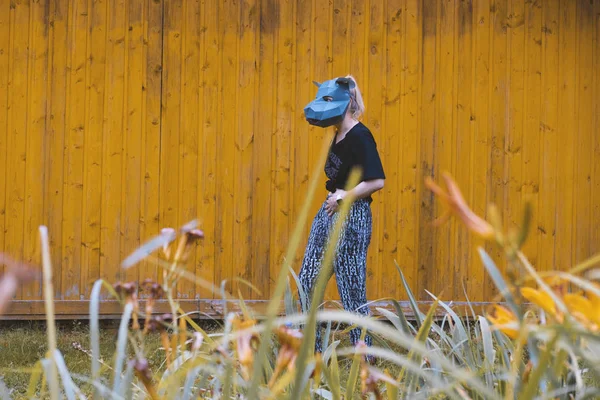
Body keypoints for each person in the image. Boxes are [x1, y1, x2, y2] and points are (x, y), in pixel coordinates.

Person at [300, 75, 385, 353]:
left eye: (328, 100)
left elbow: (376, 180)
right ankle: (309, 352)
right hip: (330, 210)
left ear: (346, 103)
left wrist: (344, 196)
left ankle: (364, 357)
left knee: (351, 291)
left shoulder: (361, 135)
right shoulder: (338, 134)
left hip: (352, 216)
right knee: (308, 280)